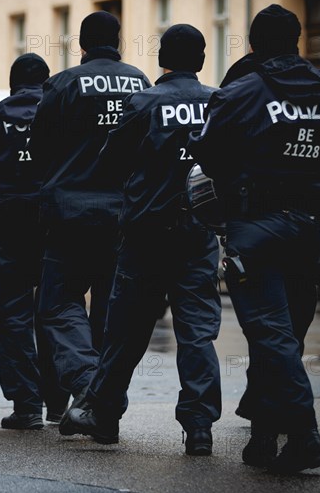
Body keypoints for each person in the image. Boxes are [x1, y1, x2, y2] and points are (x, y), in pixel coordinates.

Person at [187, 4, 320, 473]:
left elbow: (206, 154)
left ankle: (305, 434)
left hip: (258, 226)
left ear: (253, 44)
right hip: (309, 227)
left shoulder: (242, 92)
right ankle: (264, 436)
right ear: (296, 40)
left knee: (271, 337)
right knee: (285, 336)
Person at [64, 25, 222, 452]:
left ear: (161, 59)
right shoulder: (217, 103)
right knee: (197, 332)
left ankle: (104, 415)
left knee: (126, 330)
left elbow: (110, 161)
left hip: (146, 234)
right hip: (199, 232)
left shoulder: (145, 103)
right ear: (202, 60)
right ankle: (200, 426)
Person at [28, 12, 151, 425]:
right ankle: (102, 409)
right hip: (123, 215)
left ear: (81, 43)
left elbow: (39, 149)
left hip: (70, 214)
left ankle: (86, 384)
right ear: (118, 39)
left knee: (58, 303)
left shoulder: (62, 84)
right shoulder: (140, 82)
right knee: (109, 312)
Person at [0, 53, 69, 429]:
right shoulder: (63, 120)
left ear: (11, 83)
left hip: (6, 236)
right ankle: (58, 403)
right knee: (55, 314)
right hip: (55, 230)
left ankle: (26, 406)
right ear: (46, 82)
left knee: (13, 320)